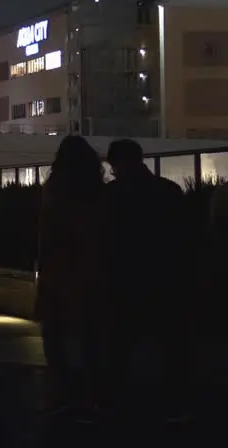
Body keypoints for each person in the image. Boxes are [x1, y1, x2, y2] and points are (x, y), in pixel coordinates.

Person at [101, 138, 196, 421]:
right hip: (165, 279)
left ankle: (115, 405)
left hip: (125, 281)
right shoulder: (169, 191)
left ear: (117, 163)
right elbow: (185, 238)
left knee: (120, 348)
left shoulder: (111, 196)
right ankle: (175, 406)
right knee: (171, 347)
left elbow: (105, 240)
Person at [35, 135, 107, 420]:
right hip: (91, 271)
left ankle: (62, 393)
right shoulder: (98, 192)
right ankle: (92, 395)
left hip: (59, 271)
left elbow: (48, 233)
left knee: (55, 336)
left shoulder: (55, 188)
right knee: (90, 336)